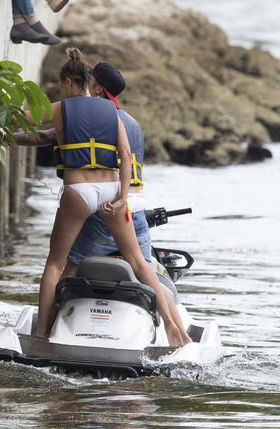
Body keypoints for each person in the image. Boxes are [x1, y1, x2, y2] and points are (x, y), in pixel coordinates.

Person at [30, 47, 184, 346]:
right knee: (143, 265)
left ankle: (46, 328)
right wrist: (123, 197)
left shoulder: (79, 113)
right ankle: (175, 329)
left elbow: (42, 132)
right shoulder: (126, 119)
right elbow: (126, 156)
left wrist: (0, 129)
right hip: (128, 203)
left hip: (96, 203)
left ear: (90, 86)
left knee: (62, 264)